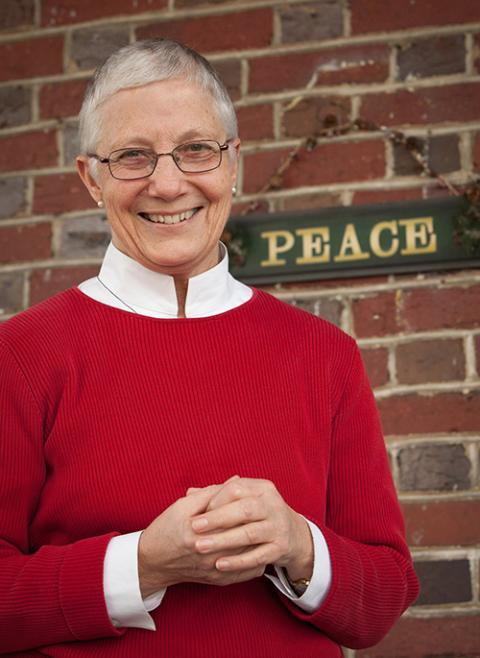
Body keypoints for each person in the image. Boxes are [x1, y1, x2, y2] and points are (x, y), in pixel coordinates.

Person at [0, 39, 419, 657]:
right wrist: (140, 566)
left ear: (231, 163)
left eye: (196, 149)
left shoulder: (325, 354)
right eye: (133, 156)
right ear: (91, 178)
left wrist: (299, 544)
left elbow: (383, 599)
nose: (168, 184)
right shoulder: (21, 353)